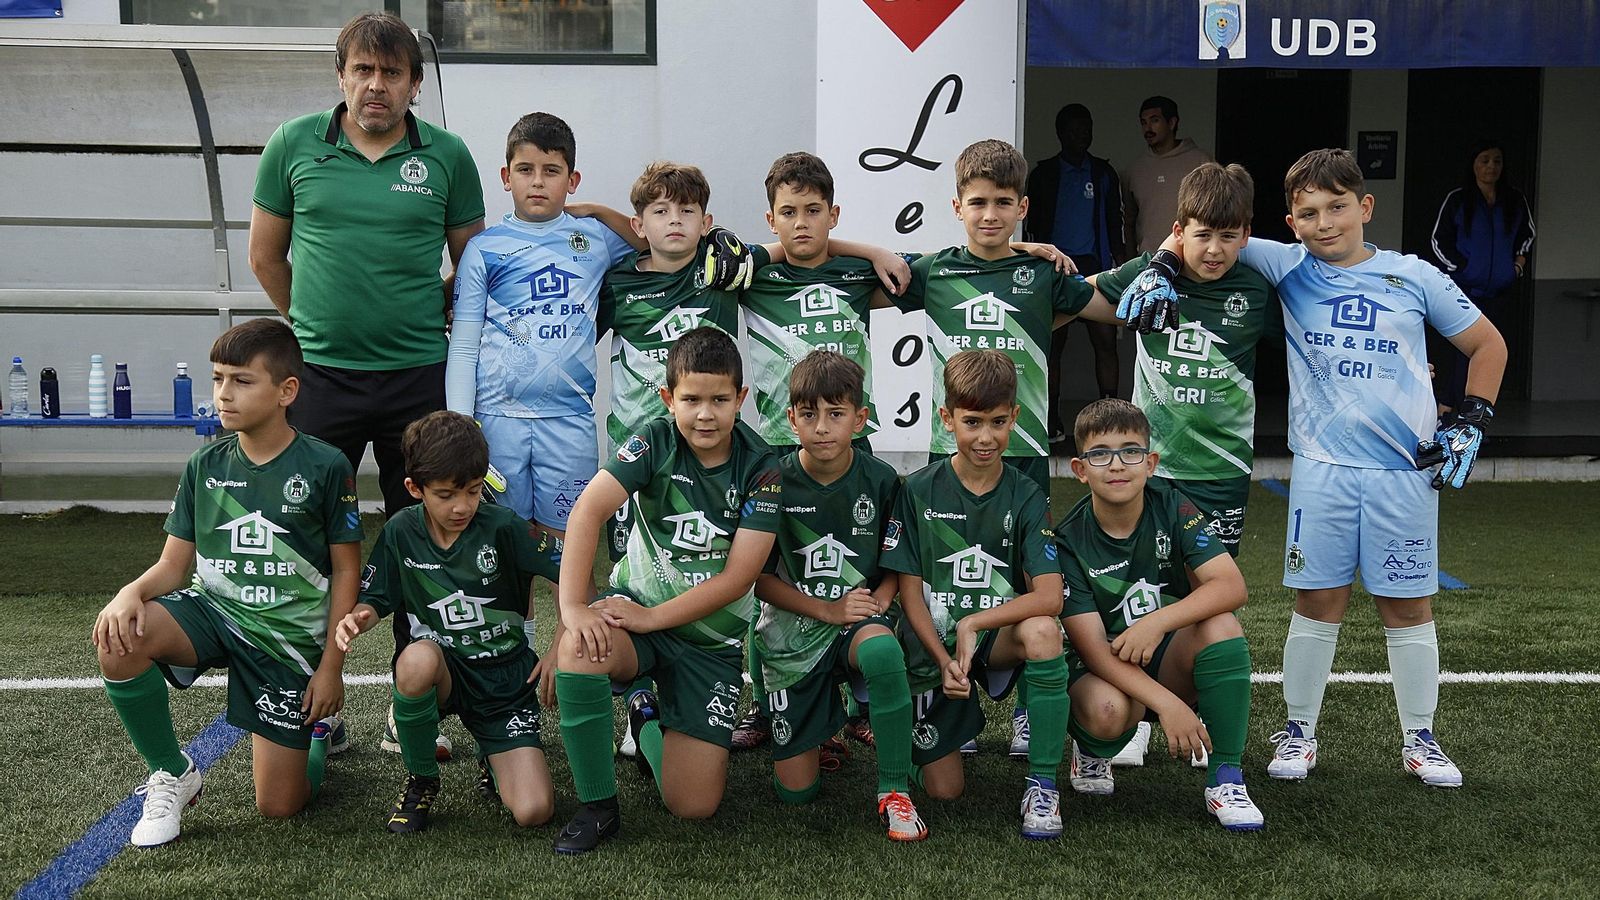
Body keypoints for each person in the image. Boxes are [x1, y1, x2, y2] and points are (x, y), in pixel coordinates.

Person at [1119, 148, 1508, 789]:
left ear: (1366, 207)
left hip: (1403, 472)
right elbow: (1204, 226)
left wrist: (1474, 417)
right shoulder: (1287, 263)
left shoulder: (1414, 277)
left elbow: (1486, 342)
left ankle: (1421, 738)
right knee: (1317, 601)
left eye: (1337, 207)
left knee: (1407, 606)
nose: (1324, 223)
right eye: (1308, 213)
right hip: (1322, 469)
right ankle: (1299, 731)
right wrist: (1161, 264)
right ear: (1291, 222)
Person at [249, 12, 485, 759]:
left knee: (420, 537)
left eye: (392, 73)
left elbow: (473, 269)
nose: (375, 85)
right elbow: (266, 258)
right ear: (341, 74)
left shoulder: (447, 155)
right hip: (319, 379)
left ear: (415, 84)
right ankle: (320, 698)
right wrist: (316, 331)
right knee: (312, 540)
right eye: (363, 70)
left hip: (419, 377)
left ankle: (408, 705)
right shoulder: (293, 144)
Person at [92, 318, 362, 847]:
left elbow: (346, 570)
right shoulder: (205, 464)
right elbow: (174, 566)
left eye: (241, 380)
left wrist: (331, 669)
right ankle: (173, 771)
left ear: (286, 391)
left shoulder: (325, 465)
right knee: (119, 637)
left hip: (285, 640)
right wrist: (131, 592)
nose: (223, 394)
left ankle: (318, 736)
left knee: (280, 807)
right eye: (218, 379)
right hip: (215, 612)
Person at [549, 327, 783, 855]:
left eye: (720, 400)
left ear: (740, 399)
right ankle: (597, 808)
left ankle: (645, 718)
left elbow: (739, 577)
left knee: (693, 805)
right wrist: (571, 608)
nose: (705, 414)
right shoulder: (654, 439)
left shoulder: (763, 466)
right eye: (691, 399)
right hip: (639, 623)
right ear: (667, 398)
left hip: (707, 645)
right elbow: (588, 510)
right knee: (579, 648)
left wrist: (653, 619)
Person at [334, 411, 568, 833]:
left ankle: (493, 756)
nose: (462, 506)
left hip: (504, 681)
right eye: (445, 495)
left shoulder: (504, 527)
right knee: (416, 660)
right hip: (445, 670)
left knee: (534, 812)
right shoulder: (400, 531)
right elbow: (375, 598)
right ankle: (422, 779)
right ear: (414, 488)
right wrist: (358, 618)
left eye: (473, 491)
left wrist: (558, 646)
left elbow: (573, 573)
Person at [881, 349, 1070, 840]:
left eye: (997, 422)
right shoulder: (917, 489)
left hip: (994, 636)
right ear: (947, 419)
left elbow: (1049, 596)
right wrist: (944, 654)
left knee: (1044, 632)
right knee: (945, 791)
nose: (985, 437)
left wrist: (975, 624)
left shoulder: (1026, 493)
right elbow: (909, 594)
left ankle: (1044, 783)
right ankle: (936, 725)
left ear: (1015, 418)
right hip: (933, 645)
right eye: (971, 422)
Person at [1054, 399, 1262, 831]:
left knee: (1222, 625)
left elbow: (1231, 586)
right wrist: (1168, 705)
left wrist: (1156, 622)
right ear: (1080, 469)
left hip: (1165, 656)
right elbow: (1093, 651)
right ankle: (1091, 752)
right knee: (1109, 711)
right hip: (1106, 668)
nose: (1117, 465)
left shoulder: (1173, 505)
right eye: (1100, 454)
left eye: (1131, 452)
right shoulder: (1068, 539)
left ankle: (1226, 777)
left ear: (1150, 463)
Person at [752, 351, 922, 840]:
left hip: (856, 620)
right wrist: (826, 608)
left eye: (836, 414)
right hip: (794, 629)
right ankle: (817, 727)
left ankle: (894, 791)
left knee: (883, 648)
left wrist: (883, 598)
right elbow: (758, 579)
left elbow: (898, 560)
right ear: (791, 419)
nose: (822, 427)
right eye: (809, 415)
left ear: (860, 418)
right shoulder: (773, 482)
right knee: (796, 794)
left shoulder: (883, 480)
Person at [444, 112, 640, 538]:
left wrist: (599, 212)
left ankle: (570, 609)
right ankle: (522, 612)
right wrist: (461, 423)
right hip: (495, 420)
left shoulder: (595, 238)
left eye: (552, 171)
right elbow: (462, 345)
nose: (537, 182)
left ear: (572, 180)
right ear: (505, 176)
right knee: (505, 541)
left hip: (568, 420)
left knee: (568, 544)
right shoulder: (483, 249)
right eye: (525, 170)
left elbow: (653, 239)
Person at [1087, 163, 1274, 559]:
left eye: (1227, 236)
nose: (1214, 249)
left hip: (1222, 470)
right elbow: (1070, 297)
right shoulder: (1148, 277)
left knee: (1213, 594)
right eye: (1202, 235)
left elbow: (1311, 340)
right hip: (1150, 464)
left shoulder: (1257, 291)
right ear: (1178, 232)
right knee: (1144, 578)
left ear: (1245, 236)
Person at [1026, 103, 1126, 432]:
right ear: (1060, 134)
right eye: (1074, 130)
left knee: (1105, 342)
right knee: (1053, 346)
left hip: (1095, 266)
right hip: (1055, 270)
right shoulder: (1043, 174)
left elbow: (1116, 222)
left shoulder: (1103, 173)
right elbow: (1032, 227)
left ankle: (1110, 417)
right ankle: (1051, 419)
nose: (1082, 136)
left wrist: (1121, 263)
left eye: (1087, 130)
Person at [1430, 139, 1535, 411]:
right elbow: (1439, 240)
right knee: (1461, 351)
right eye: (1485, 160)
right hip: (1464, 289)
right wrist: (1461, 269)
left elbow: (1527, 235)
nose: (1491, 167)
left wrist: (1516, 267)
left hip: (1499, 290)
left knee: (1491, 351)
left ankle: (1476, 413)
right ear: (1474, 165)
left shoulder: (1514, 200)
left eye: (1497, 161)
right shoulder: (1458, 199)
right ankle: (1450, 406)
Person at [1122, 96, 1213, 257]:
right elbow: (1129, 222)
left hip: (1191, 261)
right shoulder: (1134, 169)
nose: (1148, 128)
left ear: (1172, 123)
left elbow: (1216, 214)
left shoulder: (1201, 162)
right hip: (1147, 263)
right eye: (1143, 122)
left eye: (1154, 120)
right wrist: (1129, 262)